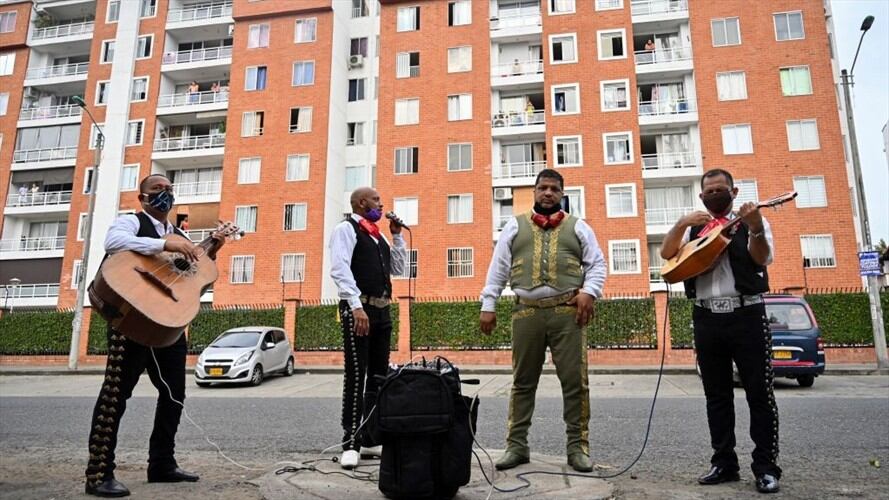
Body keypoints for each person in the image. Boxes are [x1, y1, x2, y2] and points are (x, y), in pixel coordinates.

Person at [84, 174, 224, 497]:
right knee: (115, 397)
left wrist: (211, 248)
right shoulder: (130, 223)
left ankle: (162, 463)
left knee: (175, 394)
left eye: (169, 190)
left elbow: (188, 275)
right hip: (131, 319)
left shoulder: (178, 234)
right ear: (142, 197)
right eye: (157, 190)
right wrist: (164, 243)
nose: (165, 195)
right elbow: (113, 244)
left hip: (167, 323)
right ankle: (98, 474)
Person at [660, 168, 780, 494]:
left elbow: (762, 258)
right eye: (709, 191)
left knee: (760, 394)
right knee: (716, 396)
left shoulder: (752, 220)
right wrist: (683, 223)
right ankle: (724, 462)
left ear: (734, 191)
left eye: (720, 189)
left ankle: (766, 467)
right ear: (701, 196)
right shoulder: (695, 228)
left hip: (747, 315)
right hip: (707, 317)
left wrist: (754, 228)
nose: (715, 195)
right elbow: (667, 254)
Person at [479, 169, 606, 473]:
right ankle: (517, 446)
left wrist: (590, 291)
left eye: (554, 189)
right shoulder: (514, 225)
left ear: (562, 194)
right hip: (526, 312)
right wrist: (489, 303)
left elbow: (597, 263)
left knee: (575, 382)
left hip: (567, 312)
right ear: (534, 192)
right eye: (543, 188)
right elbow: (498, 267)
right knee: (523, 382)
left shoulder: (579, 227)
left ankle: (578, 448)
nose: (548, 193)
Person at [329, 187, 406, 470]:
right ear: (362, 203)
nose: (381, 203)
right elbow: (339, 269)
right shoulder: (346, 229)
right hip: (359, 308)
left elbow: (397, 268)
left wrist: (396, 235)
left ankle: (370, 437)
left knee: (377, 376)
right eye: (377, 199)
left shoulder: (379, 235)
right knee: (356, 374)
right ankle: (350, 440)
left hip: (382, 308)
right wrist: (355, 307)